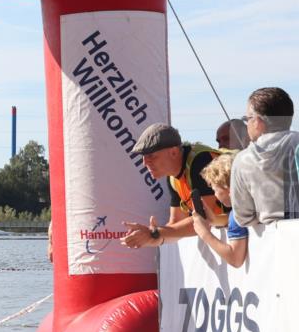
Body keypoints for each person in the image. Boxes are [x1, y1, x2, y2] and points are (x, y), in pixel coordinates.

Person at [121, 123, 228, 250]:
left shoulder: (200, 161)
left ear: (174, 152)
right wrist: (151, 237)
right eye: (143, 157)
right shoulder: (172, 177)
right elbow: (175, 225)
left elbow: (204, 219)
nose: (144, 163)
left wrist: (155, 233)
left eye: (150, 156)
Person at [230, 87, 299, 226]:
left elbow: (243, 217)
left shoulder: (242, 160)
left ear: (258, 121)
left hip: (275, 240)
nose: (246, 124)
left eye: (247, 119)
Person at [193, 152, 248, 268]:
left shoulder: (236, 214)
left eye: (215, 190)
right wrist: (214, 220)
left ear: (226, 187)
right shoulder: (252, 203)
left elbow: (236, 259)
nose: (215, 195)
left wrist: (205, 234)